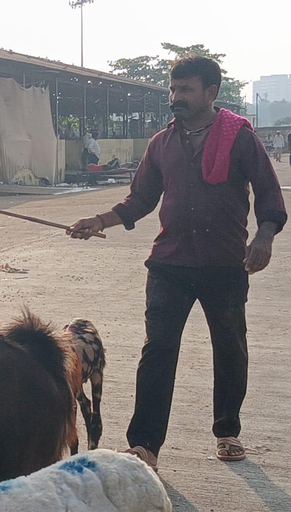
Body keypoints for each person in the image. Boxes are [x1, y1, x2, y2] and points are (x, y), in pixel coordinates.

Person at [67, 56, 286, 471]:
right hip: (169, 264)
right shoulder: (162, 144)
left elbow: (269, 194)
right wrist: (99, 221)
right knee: (159, 350)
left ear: (210, 92)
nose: (175, 98)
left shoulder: (240, 138)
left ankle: (227, 431)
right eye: (173, 90)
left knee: (230, 346)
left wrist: (264, 236)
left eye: (185, 90)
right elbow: (140, 200)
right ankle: (145, 445)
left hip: (225, 263)